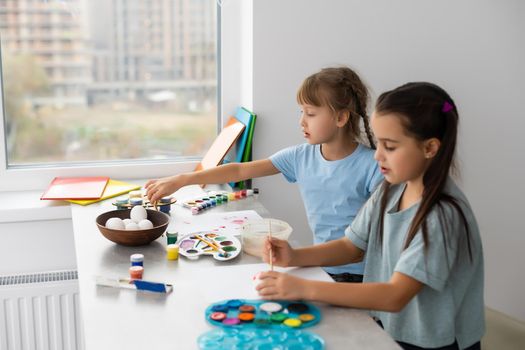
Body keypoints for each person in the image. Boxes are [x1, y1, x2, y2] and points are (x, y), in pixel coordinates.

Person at [257, 82, 484, 350]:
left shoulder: (442, 217)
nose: (377, 155)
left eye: (389, 146)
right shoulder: (392, 188)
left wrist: (303, 288)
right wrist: (295, 256)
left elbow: (395, 295)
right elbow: (351, 246)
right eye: (378, 143)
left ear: (430, 148)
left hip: (435, 343)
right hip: (391, 327)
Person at [145, 66, 383, 282]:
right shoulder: (301, 156)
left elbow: (359, 246)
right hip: (320, 269)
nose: (301, 121)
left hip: (363, 276)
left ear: (341, 117)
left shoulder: (373, 167)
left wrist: (295, 257)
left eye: (310, 113)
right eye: (301, 112)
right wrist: (184, 179)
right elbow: (240, 169)